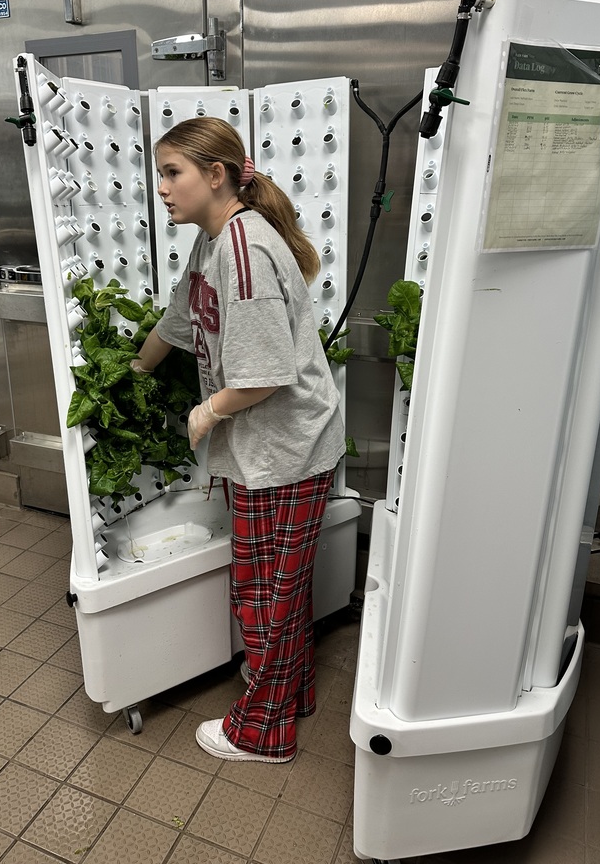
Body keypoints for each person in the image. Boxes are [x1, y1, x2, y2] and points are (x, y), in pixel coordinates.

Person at [132, 116, 346, 763]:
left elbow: (263, 377)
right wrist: (133, 372)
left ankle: (264, 731)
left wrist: (207, 412)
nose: (162, 188)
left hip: (286, 448)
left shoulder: (245, 249)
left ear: (216, 175)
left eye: (173, 173)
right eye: (160, 174)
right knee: (268, 582)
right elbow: (174, 324)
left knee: (270, 592)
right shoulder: (211, 243)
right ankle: (293, 690)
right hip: (265, 451)